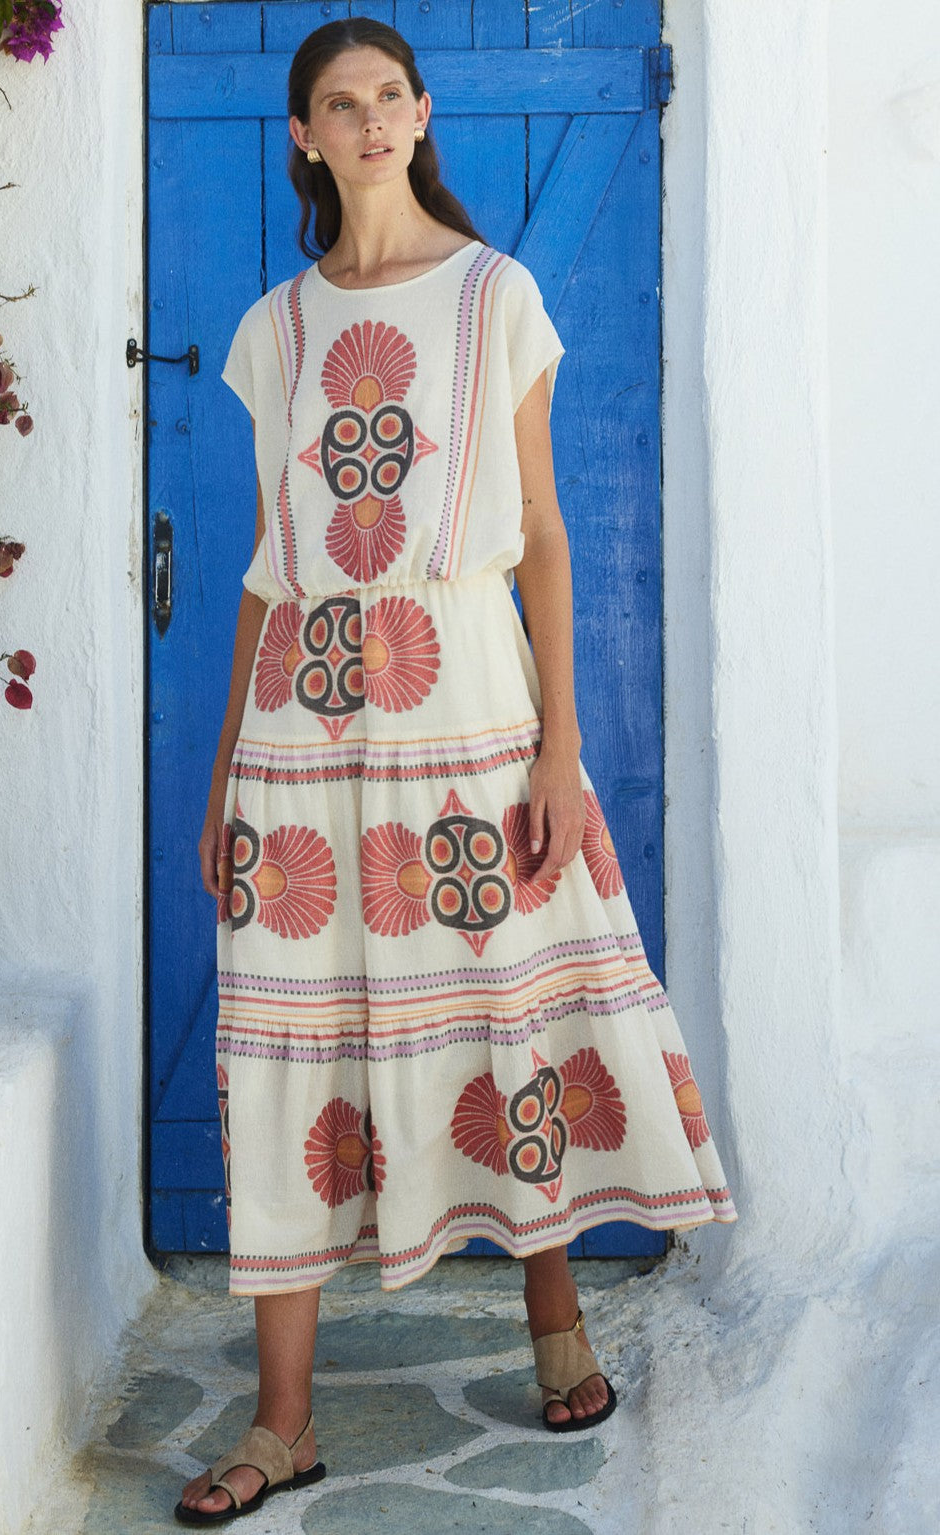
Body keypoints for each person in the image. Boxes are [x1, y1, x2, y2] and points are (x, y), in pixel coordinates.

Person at [175, 18, 736, 1527]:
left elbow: (542, 533)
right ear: (303, 134)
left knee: (508, 1002)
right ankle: (283, 1419)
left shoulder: (498, 299)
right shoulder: (275, 329)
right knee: (290, 1040)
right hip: (302, 735)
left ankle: (554, 1319)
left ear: (421, 115)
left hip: (468, 695)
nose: (368, 121)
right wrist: (227, 774)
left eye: (388, 97)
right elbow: (263, 569)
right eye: (338, 103)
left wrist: (562, 743)